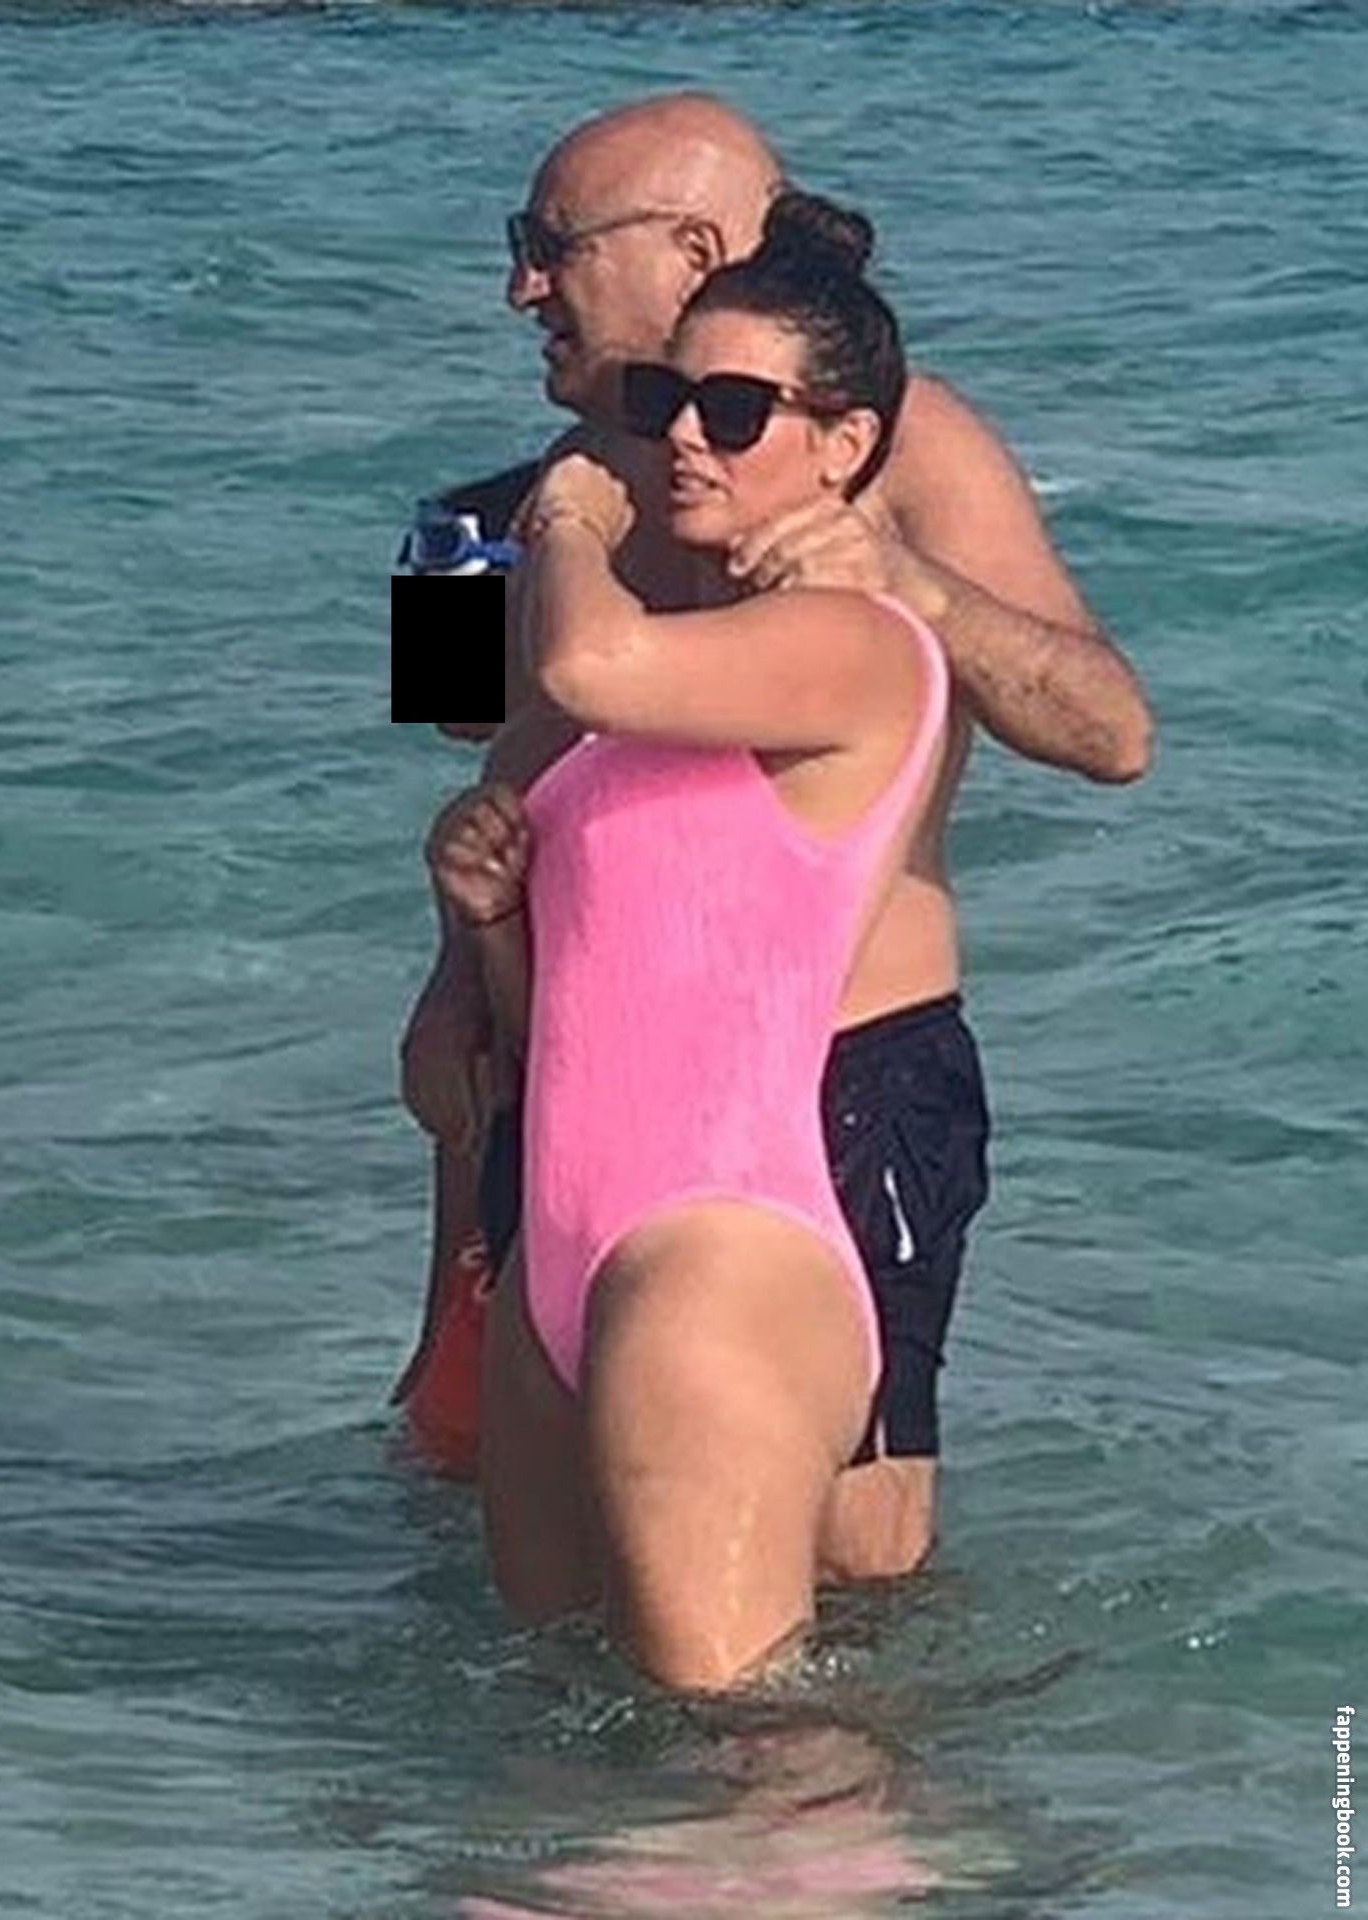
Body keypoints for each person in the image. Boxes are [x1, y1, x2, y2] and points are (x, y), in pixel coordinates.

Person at [398, 92, 1153, 1576]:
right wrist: (447, 997)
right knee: (523, 1526)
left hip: (837, 1071)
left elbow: (1113, 734)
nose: (521, 288)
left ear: (692, 248)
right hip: (590, 1071)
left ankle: (921, 1736)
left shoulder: (901, 442)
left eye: (550, 245)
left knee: (856, 1553)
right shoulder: (519, 499)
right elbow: (502, 768)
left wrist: (909, 582)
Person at [435, 190, 953, 1692]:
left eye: (731, 411)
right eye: (665, 399)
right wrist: (481, 921)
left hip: (712, 1251)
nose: (682, 436)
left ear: (844, 445)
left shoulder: (859, 639)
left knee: (745, 1747)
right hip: (557, 1234)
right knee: (550, 1725)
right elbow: (458, 726)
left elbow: (584, 663)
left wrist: (569, 523)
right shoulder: (462, 517)